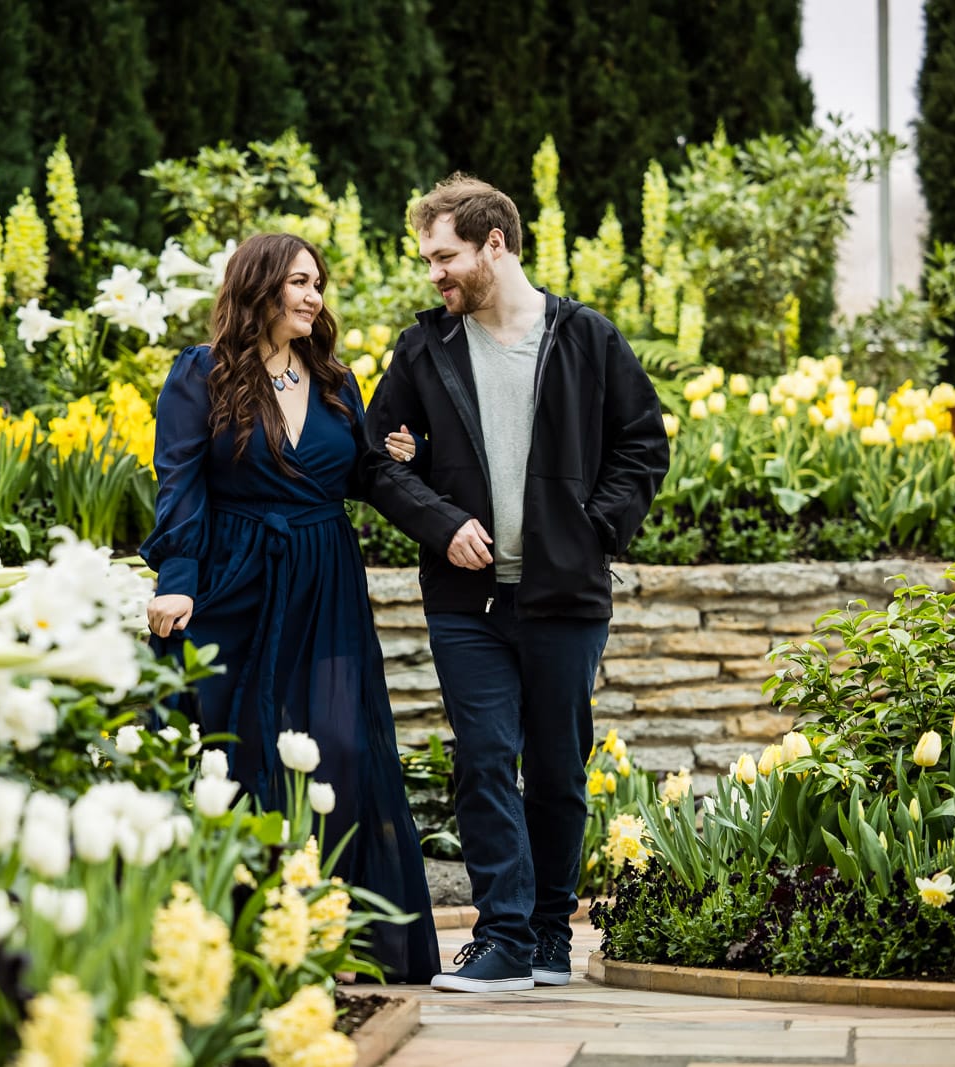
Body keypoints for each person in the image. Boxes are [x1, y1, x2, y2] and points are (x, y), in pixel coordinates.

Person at [362, 175, 669, 993]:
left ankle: (547, 940)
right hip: (466, 604)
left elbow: (643, 444)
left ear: (494, 244)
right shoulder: (424, 348)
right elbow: (374, 461)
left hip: (565, 597)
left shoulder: (587, 338)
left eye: (446, 255)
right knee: (486, 759)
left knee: (560, 767)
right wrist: (440, 520)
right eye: (430, 258)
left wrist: (590, 529)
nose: (435, 273)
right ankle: (500, 937)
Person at [140, 232, 438, 984]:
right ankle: (237, 929)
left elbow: (359, 474)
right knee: (235, 747)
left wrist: (404, 457)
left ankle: (341, 933)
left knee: (337, 746)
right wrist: (176, 577)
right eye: (299, 282)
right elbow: (179, 482)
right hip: (234, 578)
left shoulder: (337, 379)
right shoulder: (199, 376)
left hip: (326, 580)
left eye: (318, 284)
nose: (313, 296)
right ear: (258, 286)